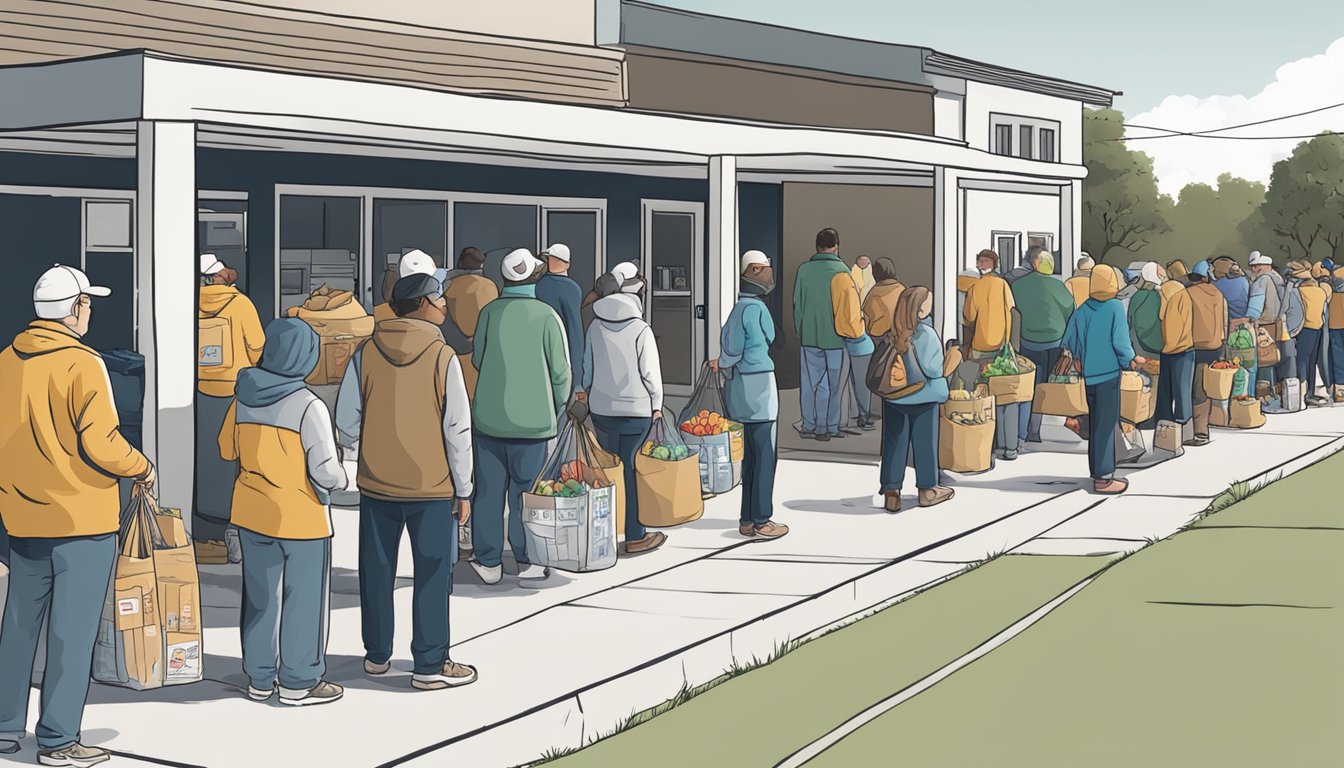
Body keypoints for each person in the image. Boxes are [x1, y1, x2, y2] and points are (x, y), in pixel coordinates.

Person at [0, 265, 155, 767]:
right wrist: (141, 466)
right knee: (71, 633)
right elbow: (102, 443)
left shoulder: (6, 361)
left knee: (19, 626)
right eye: (87, 303)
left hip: (23, 516)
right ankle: (58, 740)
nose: (89, 311)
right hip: (81, 522)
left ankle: (3, 727)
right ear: (73, 309)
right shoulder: (83, 363)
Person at [334, 272, 477, 691]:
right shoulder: (443, 357)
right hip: (431, 487)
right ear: (422, 305)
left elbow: (346, 422)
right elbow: (458, 430)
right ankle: (429, 665)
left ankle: (377, 655)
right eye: (439, 298)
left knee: (376, 570)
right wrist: (464, 487)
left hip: (377, 483)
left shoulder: (366, 352)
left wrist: (373, 446)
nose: (445, 305)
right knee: (433, 573)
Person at [220, 318, 348, 706]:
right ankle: (298, 681)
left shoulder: (243, 395)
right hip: (301, 517)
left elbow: (227, 449)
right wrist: (343, 479)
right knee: (303, 600)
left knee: (260, 599)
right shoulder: (309, 405)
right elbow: (325, 470)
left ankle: (259, 678)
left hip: (251, 512)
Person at [469, 249, 571, 584]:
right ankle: (527, 560)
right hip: (533, 424)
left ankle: (488, 562)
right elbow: (561, 374)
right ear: (534, 277)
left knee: (487, 493)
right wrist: (552, 407)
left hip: (488, 420)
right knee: (527, 496)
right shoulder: (546, 316)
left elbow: (478, 360)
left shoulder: (489, 314)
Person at [576, 264, 668, 555]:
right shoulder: (641, 329)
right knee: (631, 470)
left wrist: (587, 395)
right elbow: (650, 374)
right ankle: (635, 536)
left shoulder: (595, 327)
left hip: (602, 410)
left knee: (608, 470)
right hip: (637, 411)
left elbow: (587, 370)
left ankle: (605, 532)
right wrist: (657, 405)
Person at [196, 253, 265, 565]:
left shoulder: (185, 301)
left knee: (204, 463)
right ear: (217, 275)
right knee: (233, 463)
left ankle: (201, 533)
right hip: (234, 393)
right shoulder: (240, 305)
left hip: (197, 393)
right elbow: (258, 347)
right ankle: (232, 535)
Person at [715, 251, 789, 539]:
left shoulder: (736, 309)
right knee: (765, 456)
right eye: (766, 269)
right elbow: (770, 339)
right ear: (756, 270)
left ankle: (746, 519)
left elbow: (729, 350)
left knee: (748, 460)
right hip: (759, 391)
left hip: (738, 392)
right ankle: (761, 519)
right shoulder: (756, 309)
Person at [1062, 265, 1141, 495]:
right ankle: (1104, 479)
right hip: (1108, 374)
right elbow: (1121, 342)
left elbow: (1069, 341)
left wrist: (1079, 360)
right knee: (1105, 426)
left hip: (1089, 376)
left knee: (1096, 424)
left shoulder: (1082, 309)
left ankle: (1097, 471)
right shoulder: (1115, 308)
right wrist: (1131, 360)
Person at [879, 286, 955, 512]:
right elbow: (933, 370)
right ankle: (927, 490)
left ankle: (891, 493)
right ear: (920, 310)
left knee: (894, 443)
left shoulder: (892, 333)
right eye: (928, 303)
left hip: (895, 397)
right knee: (924, 444)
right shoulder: (927, 334)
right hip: (923, 397)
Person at [793, 228, 865, 442]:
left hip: (809, 337)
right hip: (836, 338)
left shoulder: (804, 270)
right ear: (837, 246)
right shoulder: (843, 271)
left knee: (809, 384)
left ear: (817, 246)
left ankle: (809, 424)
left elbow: (797, 306)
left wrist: (801, 330)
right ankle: (830, 427)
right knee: (834, 385)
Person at [1010, 248, 1073, 444]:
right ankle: (1037, 430)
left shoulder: (1018, 286)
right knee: (1046, 386)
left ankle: (1030, 431)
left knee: (1031, 387)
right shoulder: (1059, 287)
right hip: (1055, 343)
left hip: (1027, 343)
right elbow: (1071, 311)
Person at [962, 249, 1021, 461]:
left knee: (983, 394)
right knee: (1007, 396)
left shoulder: (975, 287)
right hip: (1002, 347)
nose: (980, 263)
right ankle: (1010, 446)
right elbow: (1012, 310)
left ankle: (990, 443)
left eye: (981, 260)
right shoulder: (1003, 285)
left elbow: (968, 317)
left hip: (980, 347)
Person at [442, 247, 499, 400]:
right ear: (481, 266)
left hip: (453, 359)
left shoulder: (447, 287)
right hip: (482, 362)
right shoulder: (488, 287)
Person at [1186, 261, 1228, 446]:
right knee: (1204, 389)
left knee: (1191, 389)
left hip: (1193, 347)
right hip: (1215, 346)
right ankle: (1202, 429)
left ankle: (1196, 433)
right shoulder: (1218, 294)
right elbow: (1225, 320)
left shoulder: (1187, 294)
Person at [535, 243, 584, 395]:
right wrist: (578, 380)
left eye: (555, 259)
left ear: (567, 264)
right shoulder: (571, 288)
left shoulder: (538, 285)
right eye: (549, 259)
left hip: (539, 349)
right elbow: (574, 330)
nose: (551, 263)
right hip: (562, 351)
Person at [1156, 263, 1195, 449]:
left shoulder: (1161, 291)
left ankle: (1163, 429)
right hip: (1184, 348)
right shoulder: (1184, 294)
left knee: (1164, 392)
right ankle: (1184, 433)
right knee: (1182, 391)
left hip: (1163, 349)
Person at [1247, 251, 1294, 403]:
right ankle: (1277, 392)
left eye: (1257, 266)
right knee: (1277, 358)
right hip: (1279, 325)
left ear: (1265, 266)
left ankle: (1264, 396)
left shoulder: (1262, 281)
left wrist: (1249, 319)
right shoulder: (1278, 278)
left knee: (1265, 360)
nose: (1254, 269)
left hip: (1265, 325)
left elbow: (1255, 306)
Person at [1289, 261, 1330, 406]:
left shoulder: (1299, 292)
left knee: (1300, 360)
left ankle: (1302, 391)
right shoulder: (1321, 292)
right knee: (1312, 361)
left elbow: (1293, 311)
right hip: (1317, 329)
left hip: (1303, 329)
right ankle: (1311, 391)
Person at [374, 249, 448, 324]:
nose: (443, 301)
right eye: (437, 291)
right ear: (422, 302)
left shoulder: (378, 317)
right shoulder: (432, 331)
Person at [1128, 263, 1166, 364]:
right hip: (1152, 345)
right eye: (1161, 275)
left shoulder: (1137, 295)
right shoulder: (1154, 296)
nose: (1163, 278)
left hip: (1137, 346)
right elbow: (1148, 323)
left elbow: (1130, 320)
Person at [862, 257, 905, 338]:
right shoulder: (901, 289)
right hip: (902, 336)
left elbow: (869, 325)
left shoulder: (874, 294)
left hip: (880, 340)